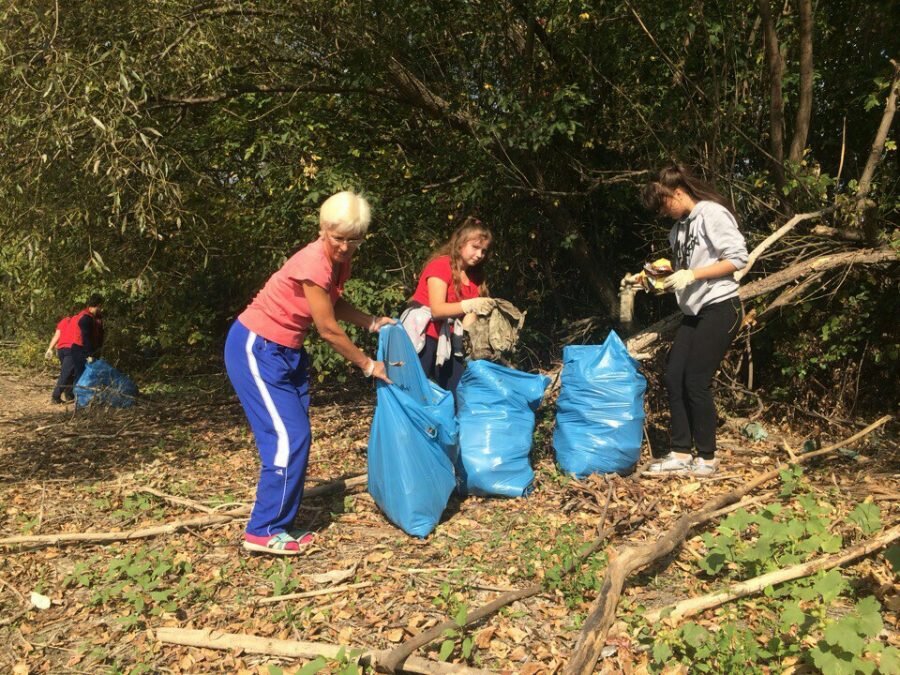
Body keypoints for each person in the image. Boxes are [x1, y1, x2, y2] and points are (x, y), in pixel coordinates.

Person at [225, 191, 394, 556]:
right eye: (339, 238)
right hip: (257, 347)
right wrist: (369, 365)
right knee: (288, 438)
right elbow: (328, 329)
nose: (346, 247)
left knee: (296, 436)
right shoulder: (314, 262)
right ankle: (263, 531)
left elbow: (333, 302)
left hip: (288, 351)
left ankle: (278, 523)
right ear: (323, 229)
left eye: (354, 239)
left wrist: (373, 322)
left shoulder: (338, 262)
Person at [641, 165, 748, 476]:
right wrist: (647, 280)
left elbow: (738, 258)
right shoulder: (677, 231)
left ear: (677, 193)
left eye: (664, 205)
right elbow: (679, 273)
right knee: (674, 375)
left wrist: (693, 274)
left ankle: (707, 456)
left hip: (720, 306)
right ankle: (680, 452)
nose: (664, 213)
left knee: (696, 380)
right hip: (693, 312)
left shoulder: (711, 214)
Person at [405, 217, 495, 394]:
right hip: (424, 338)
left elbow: (469, 319)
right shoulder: (441, 265)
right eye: (475, 247)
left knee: (459, 393)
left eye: (483, 251)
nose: (479, 255)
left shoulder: (474, 280)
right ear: (461, 243)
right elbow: (437, 310)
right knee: (413, 395)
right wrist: (470, 305)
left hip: (452, 343)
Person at [53, 295, 104, 405]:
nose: (101, 309)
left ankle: (70, 395)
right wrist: (89, 353)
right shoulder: (84, 318)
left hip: (69, 348)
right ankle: (58, 396)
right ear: (96, 306)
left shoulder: (85, 317)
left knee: (73, 373)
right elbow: (85, 337)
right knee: (71, 373)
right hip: (76, 348)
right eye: (100, 307)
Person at [47, 314, 75, 403]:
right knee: (66, 373)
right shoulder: (79, 320)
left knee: (70, 372)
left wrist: (50, 348)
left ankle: (69, 395)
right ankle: (56, 396)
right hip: (71, 348)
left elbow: (57, 335)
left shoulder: (64, 321)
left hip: (61, 349)